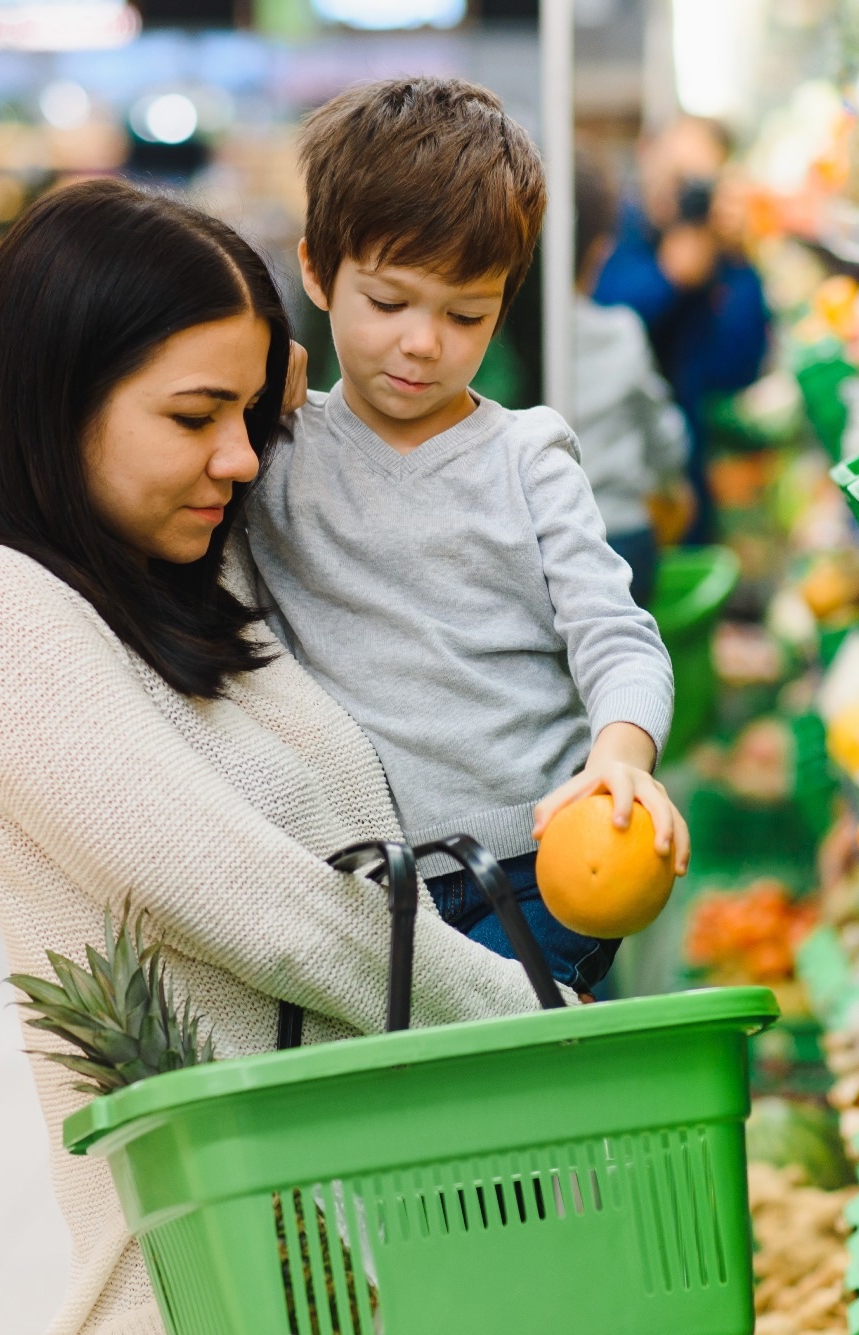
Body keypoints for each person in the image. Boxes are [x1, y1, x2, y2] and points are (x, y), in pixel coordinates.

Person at [0, 180, 565, 1335]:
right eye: (192, 419)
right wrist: (532, 1017)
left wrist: (263, 377)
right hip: (209, 1289)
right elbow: (254, 905)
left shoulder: (183, 579)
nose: (238, 459)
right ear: (52, 401)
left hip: (368, 1267)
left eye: (249, 417)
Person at [247, 78, 688, 998]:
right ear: (318, 274)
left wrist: (620, 759)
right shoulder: (276, 450)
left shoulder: (529, 456)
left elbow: (616, 633)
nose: (422, 343)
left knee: (518, 1091)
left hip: (535, 875)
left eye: (464, 315)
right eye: (389, 301)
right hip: (360, 891)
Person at [594, 115, 772, 545]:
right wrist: (669, 279)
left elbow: (738, 369)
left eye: (698, 182)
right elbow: (600, 321)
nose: (682, 192)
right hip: (607, 481)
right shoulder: (612, 229)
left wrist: (740, 262)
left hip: (684, 477)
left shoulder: (718, 256)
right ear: (647, 155)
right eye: (676, 174)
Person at [572, 154, 689, 608]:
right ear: (600, 250)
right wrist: (671, 482)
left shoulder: (500, 334)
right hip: (619, 537)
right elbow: (664, 436)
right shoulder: (618, 332)